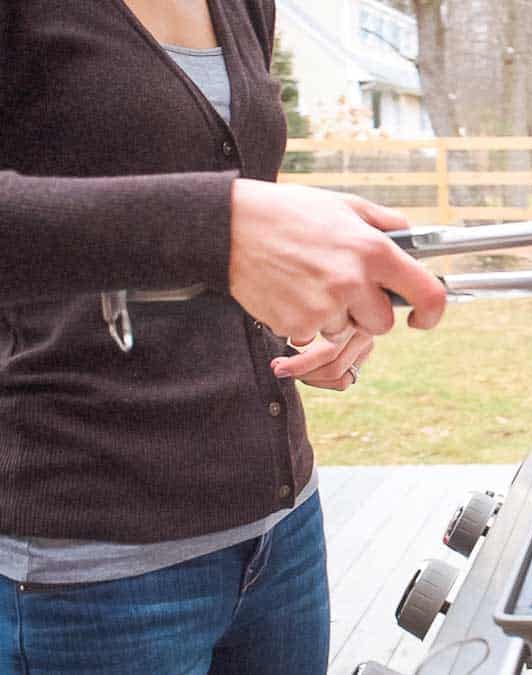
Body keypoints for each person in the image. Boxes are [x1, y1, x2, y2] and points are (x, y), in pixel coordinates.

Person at [0, 1, 447, 673]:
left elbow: (218, 201)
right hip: (95, 570)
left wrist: (300, 289)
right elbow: (206, 220)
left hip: (281, 530)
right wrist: (221, 227)